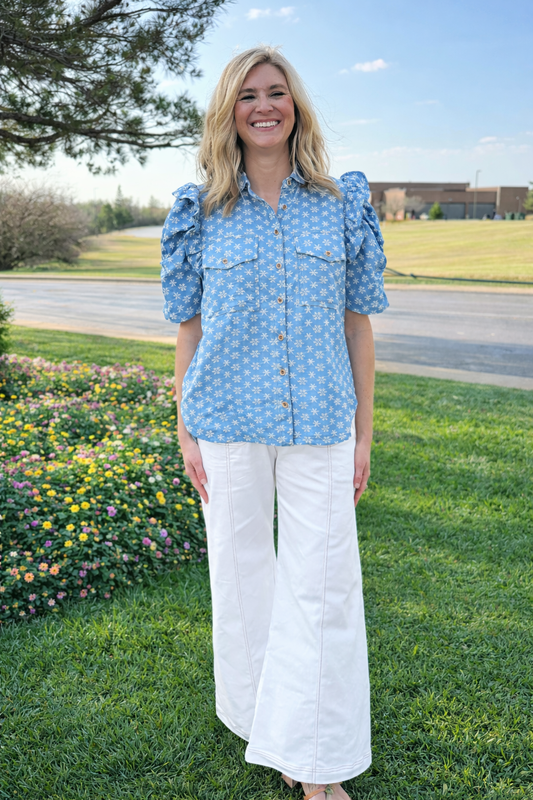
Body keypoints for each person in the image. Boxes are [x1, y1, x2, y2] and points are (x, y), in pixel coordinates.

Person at [161, 45, 388, 800]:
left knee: (322, 586)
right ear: (229, 110)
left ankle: (317, 763)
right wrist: (184, 431)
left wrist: (363, 435)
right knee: (244, 580)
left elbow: (358, 326)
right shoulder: (199, 213)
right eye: (248, 95)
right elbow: (188, 332)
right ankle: (270, 727)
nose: (264, 106)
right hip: (223, 422)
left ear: (296, 107)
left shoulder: (340, 203)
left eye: (277, 93)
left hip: (322, 421)